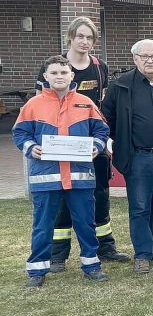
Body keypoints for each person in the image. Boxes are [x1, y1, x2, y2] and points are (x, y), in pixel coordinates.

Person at [39, 18, 128, 272]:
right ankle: (58, 255)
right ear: (70, 37)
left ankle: (105, 246)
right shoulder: (54, 67)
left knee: (100, 194)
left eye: (89, 37)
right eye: (80, 36)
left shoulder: (100, 67)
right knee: (62, 198)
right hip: (60, 145)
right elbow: (40, 105)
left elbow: (103, 107)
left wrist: (102, 139)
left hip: (91, 145)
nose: (84, 42)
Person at [14, 55, 110, 287]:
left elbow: (101, 130)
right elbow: (19, 133)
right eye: (54, 73)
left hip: (80, 177)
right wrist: (31, 148)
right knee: (43, 225)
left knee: (86, 223)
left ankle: (91, 265)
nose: (59, 77)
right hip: (46, 177)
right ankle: (37, 271)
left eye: (63, 73)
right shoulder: (33, 105)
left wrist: (96, 148)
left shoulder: (86, 103)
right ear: (45, 77)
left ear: (71, 76)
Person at [102, 39, 153, 274]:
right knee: (140, 207)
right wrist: (115, 143)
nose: (150, 60)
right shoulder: (121, 86)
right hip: (137, 157)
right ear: (135, 59)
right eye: (144, 56)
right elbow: (106, 119)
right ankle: (142, 254)